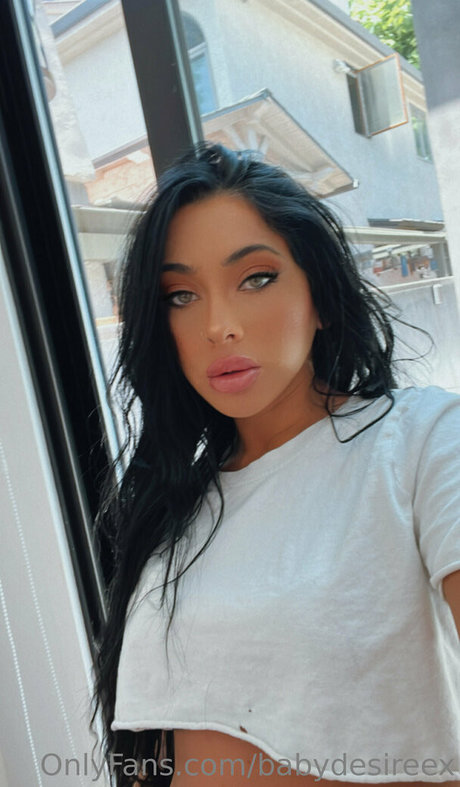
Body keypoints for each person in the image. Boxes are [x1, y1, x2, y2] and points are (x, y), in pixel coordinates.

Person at [90, 142, 460, 787]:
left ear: (321, 295)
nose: (219, 326)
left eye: (256, 278)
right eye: (181, 295)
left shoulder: (421, 440)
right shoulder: (175, 508)